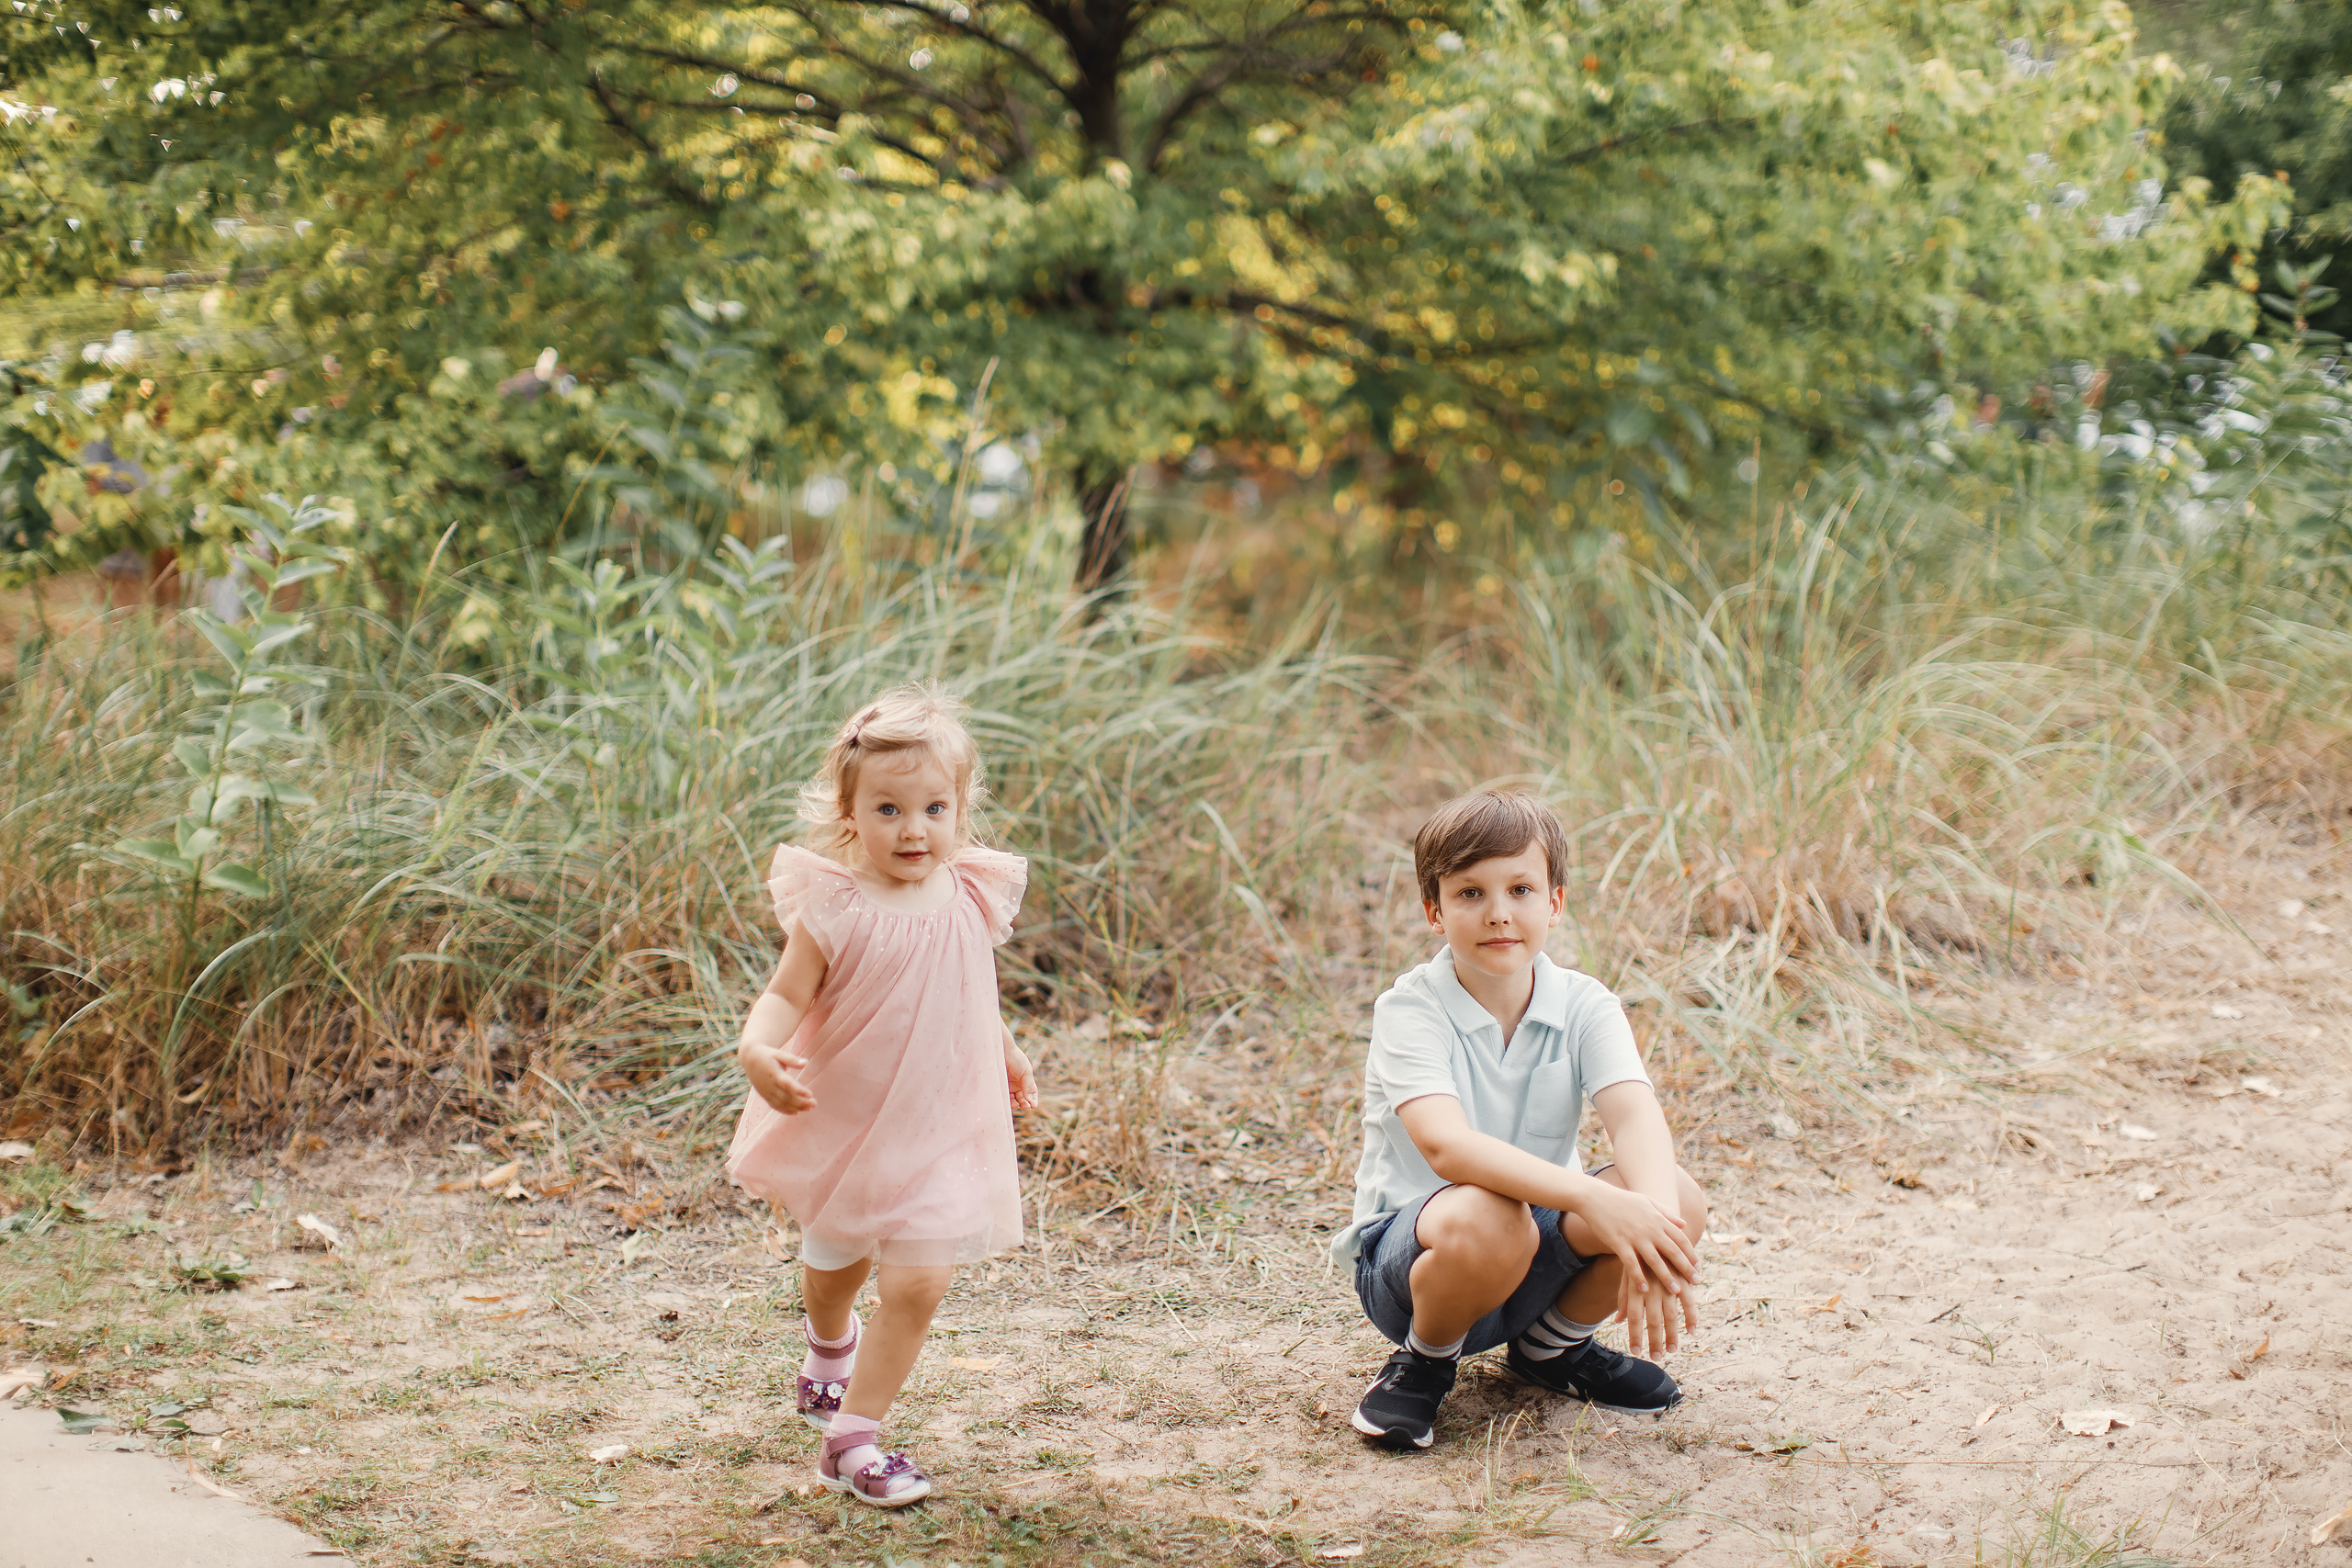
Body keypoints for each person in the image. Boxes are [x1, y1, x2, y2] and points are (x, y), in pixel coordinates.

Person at [727, 685, 1038, 1506]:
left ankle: (852, 1437)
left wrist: (1006, 1051)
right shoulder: (835, 903)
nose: (913, 829)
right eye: (890, 808)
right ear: (849, 810)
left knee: (918, 1283)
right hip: (849, 1126)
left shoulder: (971, 891)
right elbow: (787, 996)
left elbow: (975, 988)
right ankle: (829, 1344)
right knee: (836, 1266)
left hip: (939, 1126)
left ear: (960, 807)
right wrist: (758, 1045)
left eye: (934, 806)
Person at [1336, 791, 1709, 1450]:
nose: (1499, 913)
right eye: (1471, 893)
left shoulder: (1585, 1003)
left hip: (1537, 1250)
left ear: (1554, 903)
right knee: (1492, 1214)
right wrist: (1597, 1196)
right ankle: (1424, 1363)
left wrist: (1653, 1225)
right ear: (1435, 910)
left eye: (1520, 888)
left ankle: (1551, 1350)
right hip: (1419, 1259)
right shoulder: (1411, 1009)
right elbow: (1448, 1148)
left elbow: (1634, 1116)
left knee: (1673, 1197)